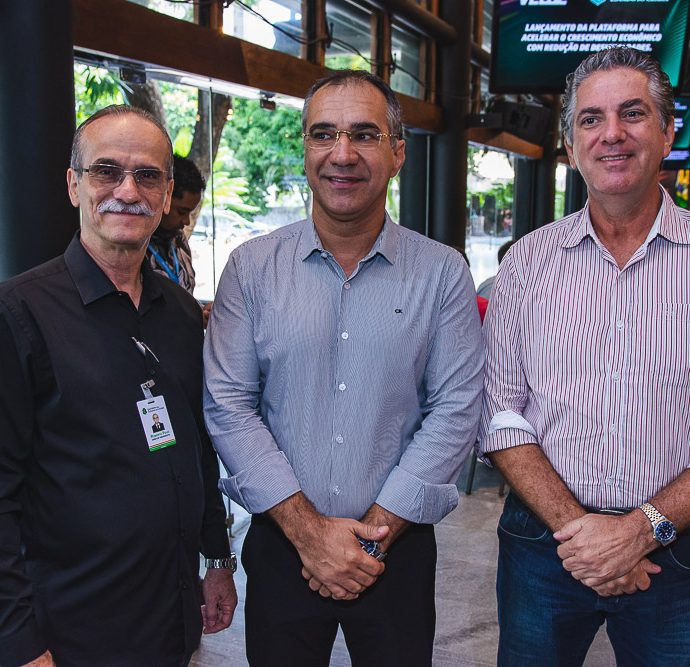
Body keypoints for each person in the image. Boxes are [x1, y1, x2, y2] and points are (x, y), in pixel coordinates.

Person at [204, 70, 483, 666]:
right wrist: (309, 534)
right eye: (324, 134)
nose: (343, 153)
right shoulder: (251, 269)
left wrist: (372, 538)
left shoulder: (443, 273)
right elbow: (229, 406)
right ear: (305, 147)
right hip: (282, 545)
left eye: (364, 134)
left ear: (397, 152)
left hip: (399, 546)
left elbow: (456, 409)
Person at [0, 105, 237, 667]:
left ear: (166, 193)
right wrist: (19, 641)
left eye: (147, 175)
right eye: (106, 171)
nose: (127, 191)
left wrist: (216, 558)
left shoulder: (180, 313)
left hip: (171, 616)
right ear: (73, 185)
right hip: (70, 629)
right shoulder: (18, 314)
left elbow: (196, 445)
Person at [480, 47, 690, 666]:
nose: (612, 133)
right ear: (571, 146)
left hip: (677, 550)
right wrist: (583, 534)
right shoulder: (527, 262)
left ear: (668, 131)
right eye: (591, 119)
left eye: (633, 113)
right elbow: (499, 410)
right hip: (543, 547)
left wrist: (640, 529)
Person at [147, 154, 203, 295]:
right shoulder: (134, 246)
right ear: (165, 199)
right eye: (182, 212)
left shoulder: (178, 239)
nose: (186, 221)